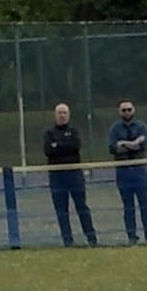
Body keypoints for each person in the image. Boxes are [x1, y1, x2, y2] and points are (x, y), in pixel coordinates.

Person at [41, 102, 100, 247]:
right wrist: (63, 146)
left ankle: (91, 238)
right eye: (59, 113)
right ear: (55, 115)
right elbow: (48, 151)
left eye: (64, 113)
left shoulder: (74, 131)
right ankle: (67, 240)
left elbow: (75, 146)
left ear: (69, 115)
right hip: (57, 177)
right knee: (61, 210)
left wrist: (58, 145)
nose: (62, 116)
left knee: (82, 207)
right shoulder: (49, 133)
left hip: (74, 175)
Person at [108, 99, 147, 244]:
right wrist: (134, 143)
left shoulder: (141, 126)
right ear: (119, 112)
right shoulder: (115, 129)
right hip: (123, 172)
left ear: (133, 110)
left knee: (145, 206)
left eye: (129, 109)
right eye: (124, 110)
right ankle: (131, 237)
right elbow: (113, 148)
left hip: (139, 171)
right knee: (128, 207)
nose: (127, 112)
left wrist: (124, 144)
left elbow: (143, 146)